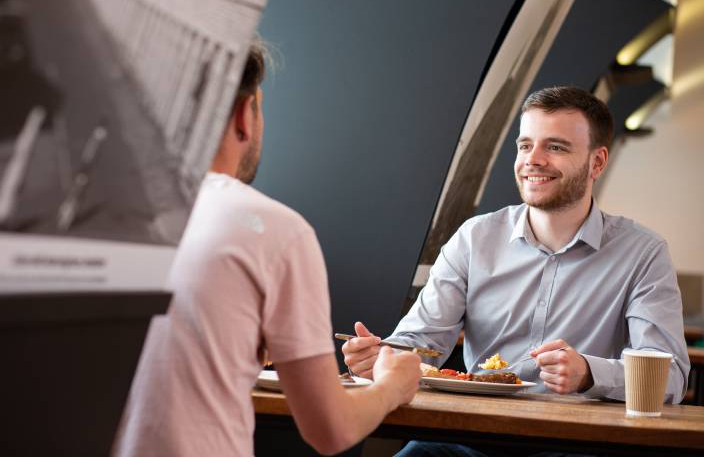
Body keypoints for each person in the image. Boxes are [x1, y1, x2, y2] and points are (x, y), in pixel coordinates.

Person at [114, 40, 422, 457]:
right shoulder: (275, 231)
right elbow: (330, 429)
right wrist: (392, 386)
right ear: (245, 115)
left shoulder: (82, 215)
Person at [342, 87, 690, 455]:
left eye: (555, 147)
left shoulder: (643, 252)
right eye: (525, 145)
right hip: (468, 437)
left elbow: (670, 379)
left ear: (597, 162)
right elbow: (419, 344)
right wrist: (379, 359)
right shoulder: (475, 238)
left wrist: (589, 373)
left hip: (578, 443)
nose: (533, 160)